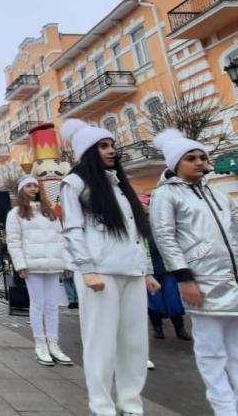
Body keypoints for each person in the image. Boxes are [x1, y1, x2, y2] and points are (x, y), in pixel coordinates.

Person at [149, 129, 238, 416]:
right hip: (204, 284)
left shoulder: (221, 195)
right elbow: (165, 238)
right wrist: (184, 278)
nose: (199, 162)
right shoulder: (165, 195)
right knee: (211, 355)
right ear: (174, 163)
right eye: (190, 158)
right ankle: (224, 410)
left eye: (202, 157)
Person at [59, 119, 159, 416]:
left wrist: (148, 270)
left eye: (112, 145)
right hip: (99, 272)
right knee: (100, 342)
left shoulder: (120, 186)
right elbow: (73, 229)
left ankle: (131, 403)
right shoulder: (75, 183)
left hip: (131, 271)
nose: (111, 150)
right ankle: (101, 405)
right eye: (103, 146)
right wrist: (86, 268)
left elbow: (136, 233)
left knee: (135, 342)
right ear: (89, 151)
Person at [6, 174, 72, 366]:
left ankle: (54, 344)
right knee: (37, 304)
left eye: (36, 186)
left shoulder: (49, 212)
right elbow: (14, 241)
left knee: (52, 305)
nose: (33, 189)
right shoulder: (16, 213)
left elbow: (61, 238)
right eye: (29, 186)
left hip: (52, 264)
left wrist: (66, 263)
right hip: (33, 265)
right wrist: (20, 264)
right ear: (21, 190)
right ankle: (40, 344)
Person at [138, 194, 190, 342]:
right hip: (149, 269)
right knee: (154, 301)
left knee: (173, 299)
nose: (146, 215)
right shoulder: (136, 227)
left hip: (166, 267)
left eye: (147, 211)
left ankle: (180, 328)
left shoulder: (161, 223)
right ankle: (157, 328)